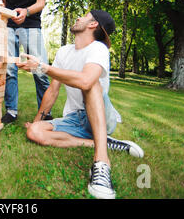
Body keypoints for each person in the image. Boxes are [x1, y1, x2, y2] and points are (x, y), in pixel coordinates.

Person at [17, 10, 144, 199]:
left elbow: (85, 81)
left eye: (84, 16)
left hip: (101, 117)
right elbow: (53, 90)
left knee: (90, 84)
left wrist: (42, 67)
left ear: (93, 25)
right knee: (34, 132)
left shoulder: (98, 49)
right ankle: (101, 143)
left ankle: (101, 162)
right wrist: (36, 121)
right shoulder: (64, 51)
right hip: (76, 118)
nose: (78, 17)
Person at [1, 0, 54, 124]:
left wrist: (25, 11)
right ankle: (11, 111)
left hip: (32, 25)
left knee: (40, 70)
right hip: (8, 25)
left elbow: (41, 3)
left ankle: (46, 112)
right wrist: (7, 15)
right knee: (9, 69)